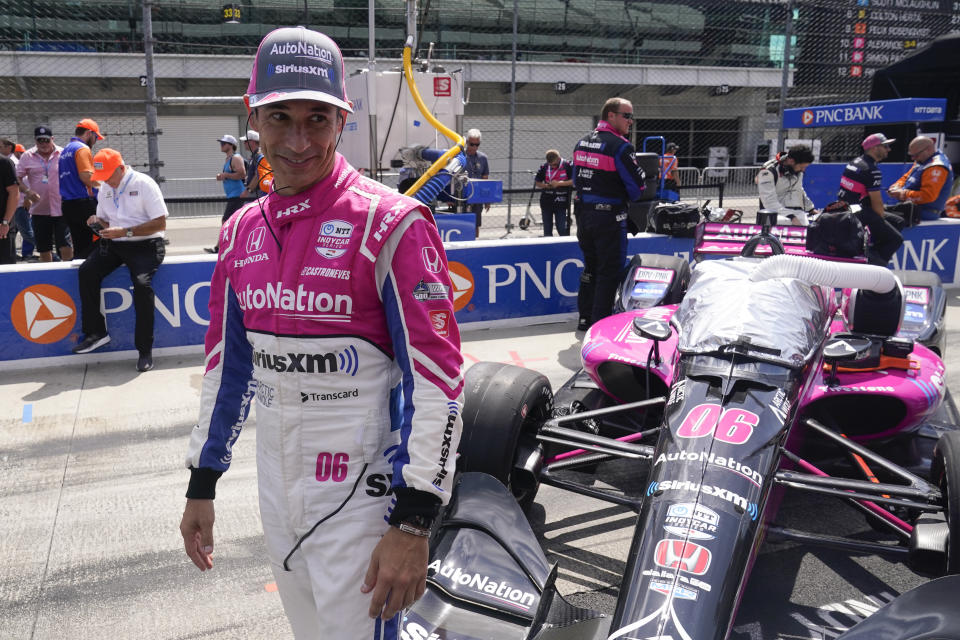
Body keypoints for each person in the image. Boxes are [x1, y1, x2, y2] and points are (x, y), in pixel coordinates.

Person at [178, 27, 464, 640]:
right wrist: (203, 481)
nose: (299, 140)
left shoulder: (392, 224)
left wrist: (414, 522)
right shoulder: (241, 231)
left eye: (318, 118)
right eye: (280, 118)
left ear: (342, 120)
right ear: (254, 116)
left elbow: (438, 383)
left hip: (365, 497)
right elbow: (226, 368)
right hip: (276, 490)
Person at [71, 149, 167, 373]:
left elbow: (160, 223)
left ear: (121, 169)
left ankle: (144, 351)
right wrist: (98, 222)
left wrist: (126, 232)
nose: (105, 183)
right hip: (116, 244)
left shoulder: (144, 184)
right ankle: (96, 333)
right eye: (101, 179)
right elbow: (106, 221)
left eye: (108, 178)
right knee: (86, 271)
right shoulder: (105, 186)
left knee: (142, 286)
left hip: (147, 245)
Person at [572, 97, 647, 331]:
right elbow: (637, 188)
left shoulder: (581, 142)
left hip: (584, 216)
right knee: (609, 272)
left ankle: (585, 319)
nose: (631, 121)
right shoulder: (620, 146)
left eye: (631, 116)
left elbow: (576, 180)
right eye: (626, 115)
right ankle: (600, 326)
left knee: (591, 267)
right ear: (611, 115)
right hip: (609, 219)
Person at [837, 133, 904, 266]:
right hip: (857, 213)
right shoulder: (871, 170)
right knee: (896, 239)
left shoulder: (854, 162)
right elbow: (877, 204)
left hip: (846, 209)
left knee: (899, 221)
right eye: (885, 146)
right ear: (874, 148)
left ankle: (871, 252)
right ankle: (875, 266)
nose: (889, 149)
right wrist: (881, 221)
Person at [17, 126, 72, 262]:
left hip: (62, 208)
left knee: (65, 245)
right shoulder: (27, 156)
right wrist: (27, 192)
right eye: (40, 140)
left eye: (46, 140)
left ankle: (67, 275)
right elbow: (16, 178)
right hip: (39, 210)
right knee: (43, 247)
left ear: (52, 139)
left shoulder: (63, 153)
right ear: (35, 141)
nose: (43, 144)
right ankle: (50, 278)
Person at [59, 118, 104, 259]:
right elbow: (86, 176)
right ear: (89, 133)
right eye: (95, 137)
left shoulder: (66, 150)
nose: (95, 141)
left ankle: (81, 272)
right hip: (84, 204)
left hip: (68, 205)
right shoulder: (82, 149)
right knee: (106, 238)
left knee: (80, 244)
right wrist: (106, 189)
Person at [887, 136, 955, 223]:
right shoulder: (922, 159)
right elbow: (906, 177)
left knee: (882, 216)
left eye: (915, 155)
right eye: (911, 155)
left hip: (925, 213)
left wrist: (903, 194)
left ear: (929, 149)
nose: (913, 158)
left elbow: (928, 196)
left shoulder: (936, 166)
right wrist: (896, 187)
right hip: (912, 208)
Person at [755, 144, 817, 226]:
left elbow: (799, 190)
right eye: (802, 167)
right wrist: (791, 217)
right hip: (773, 214)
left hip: (796, 213)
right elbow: (769, 202)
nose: (803, 170)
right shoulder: (768, 171)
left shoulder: (797, 171)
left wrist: (811, 209)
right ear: (791, 161)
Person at [204, 134, 246, 254]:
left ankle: (220, 248)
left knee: (226, 221)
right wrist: (223, 176)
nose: (221, 145)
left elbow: (242, 174)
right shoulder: (228, 159)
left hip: (237, 195)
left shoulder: (236, 158)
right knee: (232, 222)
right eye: (221, 143)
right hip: (232, 195)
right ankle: (227, 247)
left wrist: (226, 175)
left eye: (223, 143)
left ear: (231, 145)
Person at [0, 137, 35, 261]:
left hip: (8, 217)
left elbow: (15, 191)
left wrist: (5, 222)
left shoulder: (7, 163)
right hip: (17, 208)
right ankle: (28, 253)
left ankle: (39, 248)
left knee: (26, 232)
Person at [534, 149, 573, 236]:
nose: (553, 167)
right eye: (550, 165)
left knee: (561, 228)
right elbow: (537, 182)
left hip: (561, 201)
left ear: (559, 158)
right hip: (546, 200)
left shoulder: (568, 165)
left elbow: (575, 181)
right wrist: (546, 186)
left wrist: (559, 183)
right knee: (547, 230)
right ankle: (548, 248)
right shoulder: (544, 166)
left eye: (555, 164)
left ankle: (564, 247)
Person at [462, 128, 489, 227]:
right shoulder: (459, 156)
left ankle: (475, 241)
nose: (474, 147)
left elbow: (485, 179)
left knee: (476, 224)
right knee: (462, 224)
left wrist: (487, 199)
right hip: (461, 197)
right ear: (467, 142)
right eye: (471, 144)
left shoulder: (483, 158)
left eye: (477, 145)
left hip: (477, 197)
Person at [239, 129, 272, 198]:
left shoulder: (259, 155)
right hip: (255, 192)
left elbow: (258, 175)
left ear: (252, 142)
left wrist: (248, 190)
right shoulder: (255, 155)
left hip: (257, 193)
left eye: (246, 141)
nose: (244, 143)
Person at [0, 146, 18, 264]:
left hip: (2, 228)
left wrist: (5, 222)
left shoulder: (4, 163)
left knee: (5, 269)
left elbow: (14, 193)